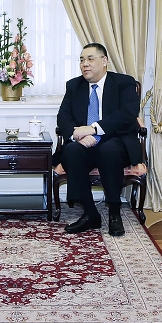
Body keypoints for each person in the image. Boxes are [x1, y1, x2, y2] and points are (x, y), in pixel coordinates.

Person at [55, 42, 144, 238]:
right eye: (81, 60)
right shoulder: (74, 85)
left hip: (115, 140)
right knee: (71, 151)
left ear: (104, 61)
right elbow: (63, 117)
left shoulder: (124, 83)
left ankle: (114, 212)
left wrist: (94, 129)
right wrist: (77, 135)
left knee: (108, 150)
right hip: (84, 143)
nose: (84, 64)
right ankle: (90, 213)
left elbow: (127, 114)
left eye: (90, 59)